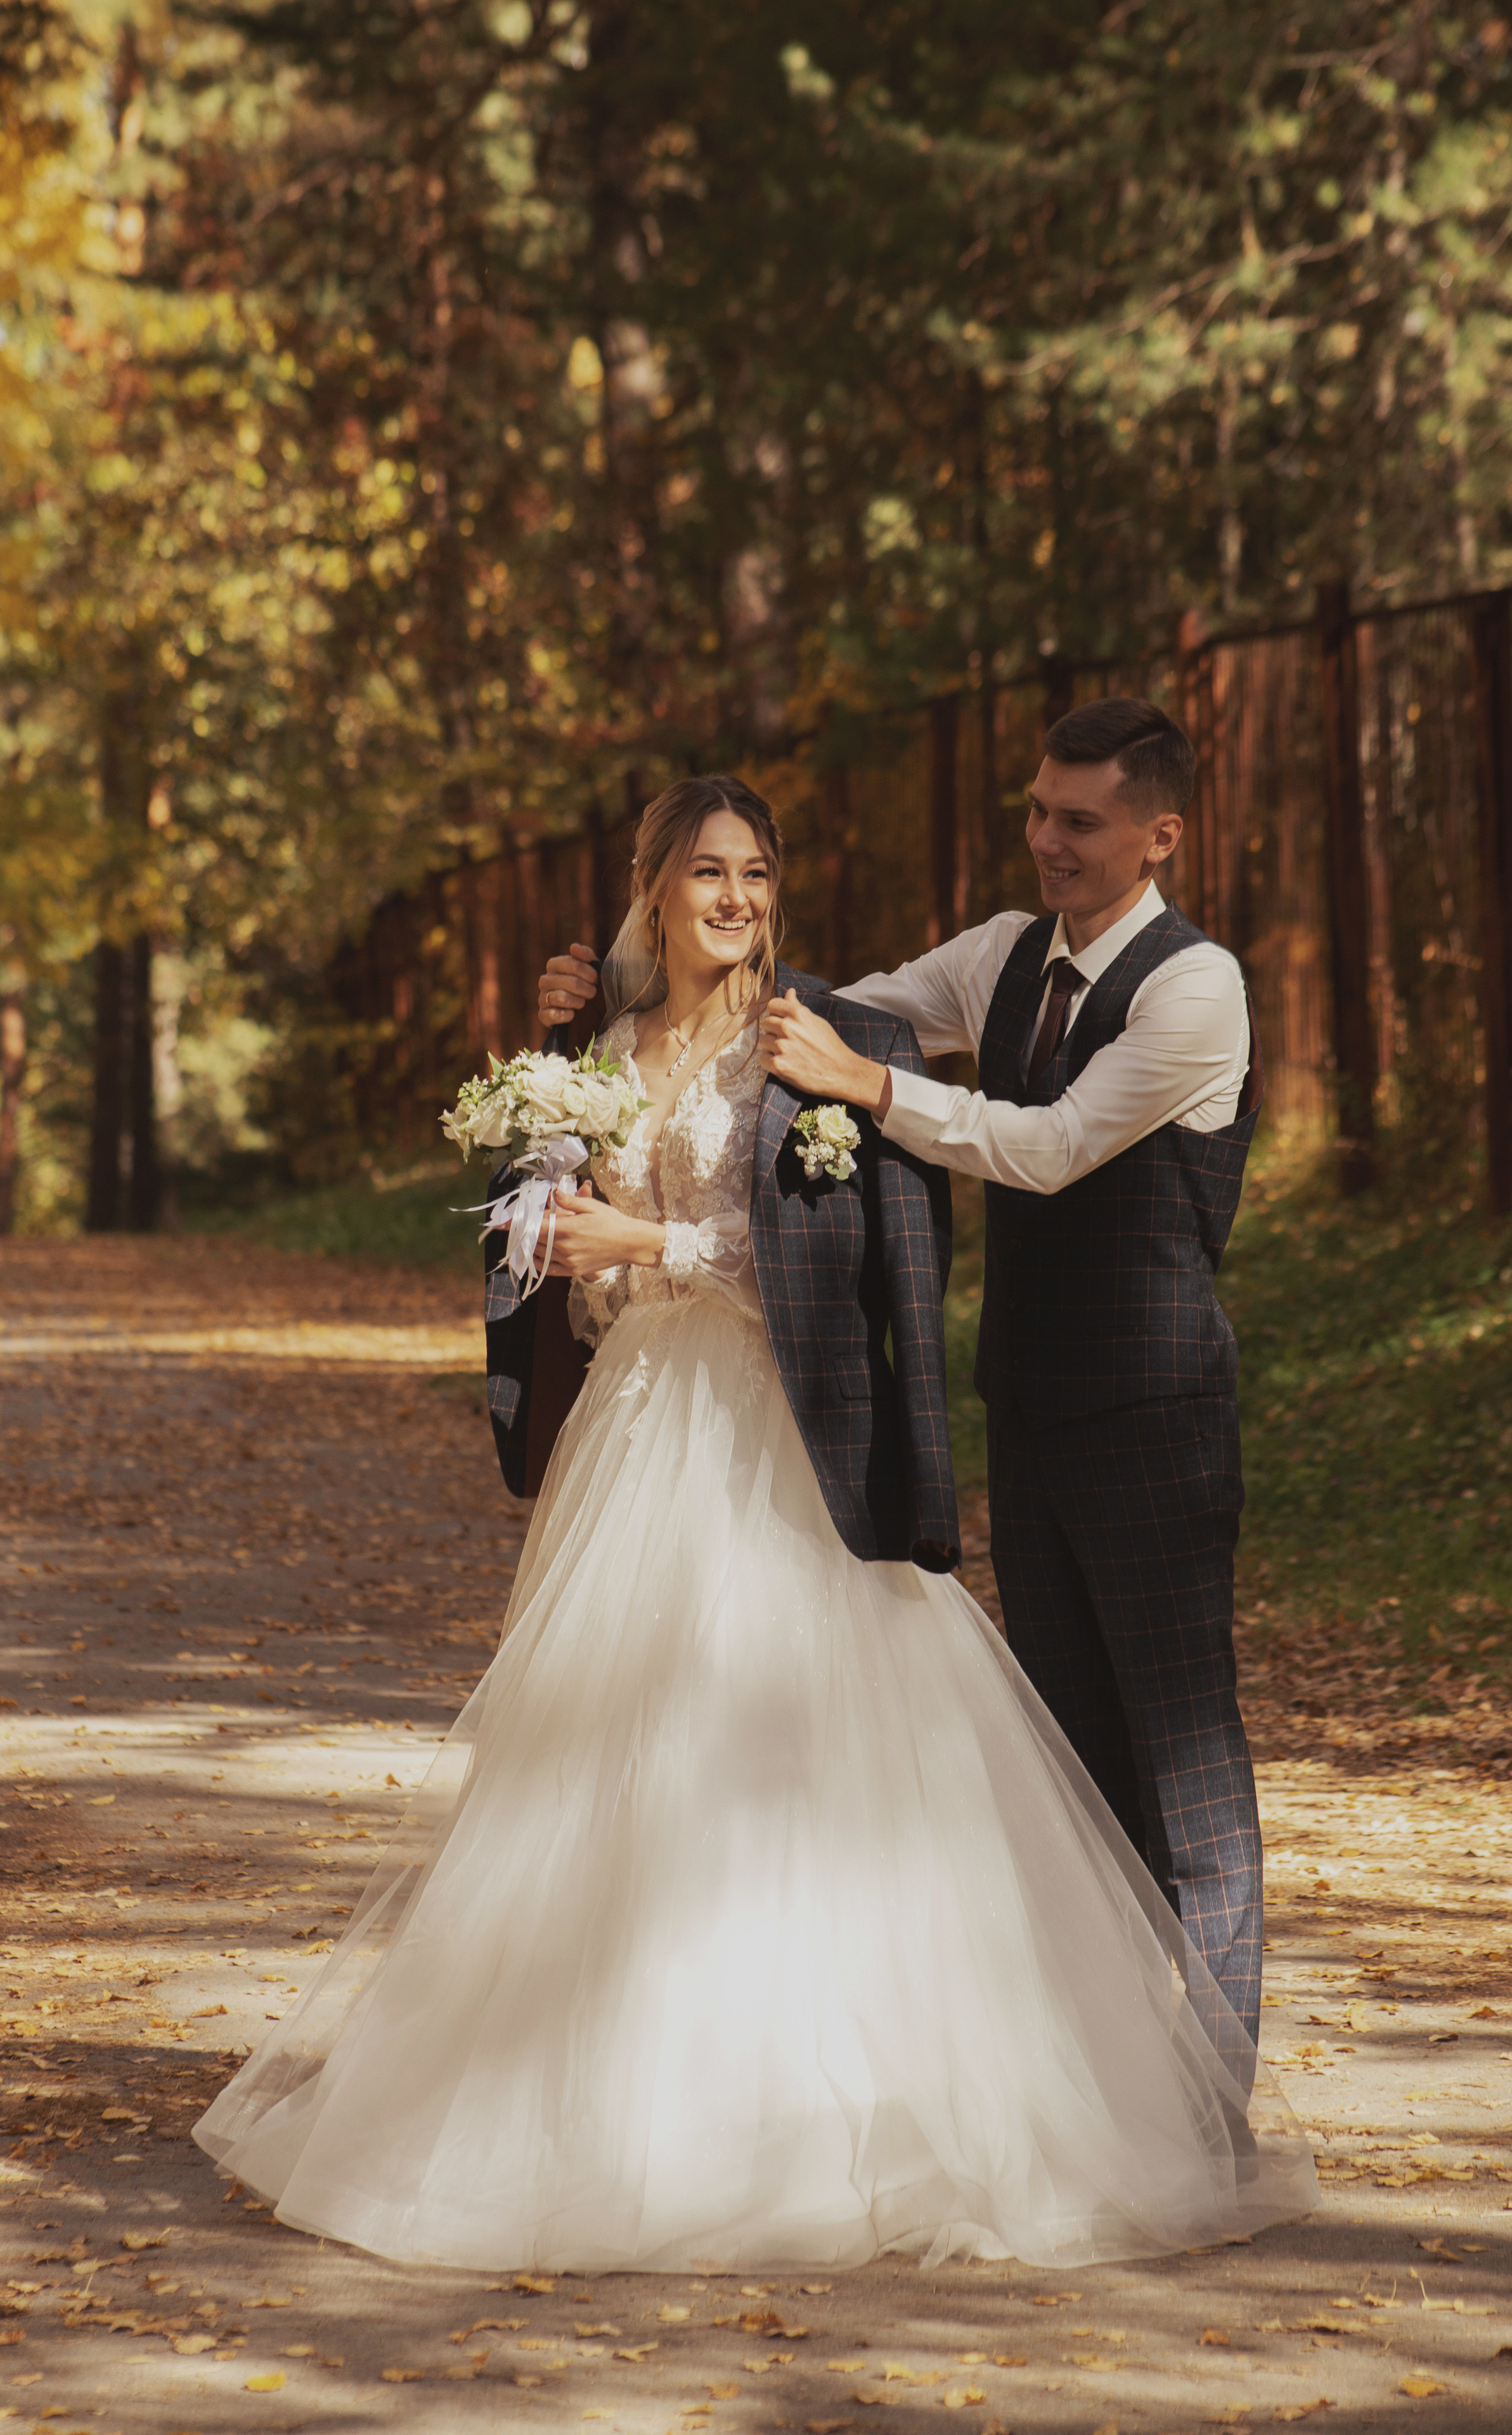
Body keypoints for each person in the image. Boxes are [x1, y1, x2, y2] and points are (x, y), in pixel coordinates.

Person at [197, 770, 1314, 2272]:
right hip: (638, 1434)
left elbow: (828, 1252)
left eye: (756, 873)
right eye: (705, 872)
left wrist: (652, 1234)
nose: (734, 897)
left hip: (787, 1444)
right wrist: (576, 1222)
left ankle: (925, 2107)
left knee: (825, 1761)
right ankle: (596, 2099)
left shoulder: (815, 1045)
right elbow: (569, 1275)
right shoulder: (597, 1050)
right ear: (651, 883)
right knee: (611, 1759)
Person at [536, 701, 1270, 2051]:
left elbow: (1047, 1145)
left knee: (1185, 1772)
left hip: (1156, 1423)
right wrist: (615, 1000)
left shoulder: (1192, 987)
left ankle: (1212, 2091)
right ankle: (1116, 2061)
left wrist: (872, 1098)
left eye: (1078, 820)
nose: (1044, 840)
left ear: (1158, 834)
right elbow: (838, 1009)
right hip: (1029, 1413)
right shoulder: (998, 954)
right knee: (1077, 1777)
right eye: (1037, 812)